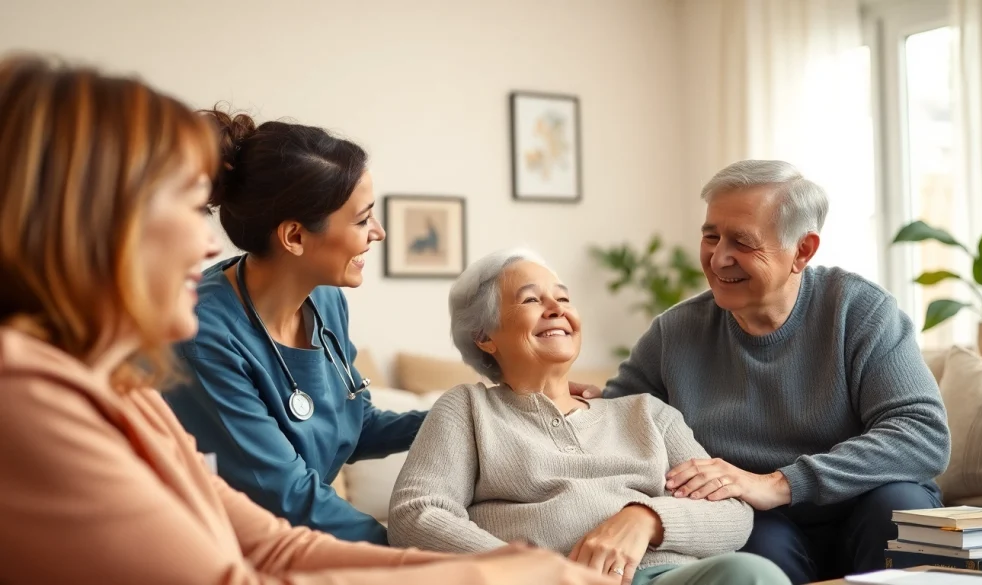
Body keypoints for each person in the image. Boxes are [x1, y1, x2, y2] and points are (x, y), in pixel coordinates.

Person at [0, 54, 621, 585]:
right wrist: (475, 567)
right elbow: (251, 560)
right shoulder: (27, 396)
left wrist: (481, 419)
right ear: (99, 223)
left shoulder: (127, 394)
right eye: (191, 207)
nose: (208, 242)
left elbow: (278, 542)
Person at [576, 160, 951, 584]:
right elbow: (619, 422)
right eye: (711, 236)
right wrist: (567, 403)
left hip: (866, 506)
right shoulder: (675, 333)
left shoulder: (860, 312)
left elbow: (923, 434)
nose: (718, 259)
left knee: (900, 510)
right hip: (756, 523)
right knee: (749, 541)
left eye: (742, 242)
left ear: (803, 251)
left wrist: (779, 483)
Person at [387, 249, 792, 585]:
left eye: (562, 298)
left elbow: (733, 514)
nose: (555, 309)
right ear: (484, 336)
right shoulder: (468, 409)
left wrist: (647, 519)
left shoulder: (646, 412)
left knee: (753, 574)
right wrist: (527, 569)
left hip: (664, 576)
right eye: (531, 299)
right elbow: (417, 514)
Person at [162, 107, 423, 545]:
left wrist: (475, 412)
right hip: (227, 552)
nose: (377, 233)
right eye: (361, 220)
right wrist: (422, 556)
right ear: (295, 237)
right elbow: (288, 496)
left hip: (301, 541)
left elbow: (355, 427)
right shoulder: (203, 336)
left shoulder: (324, 299)